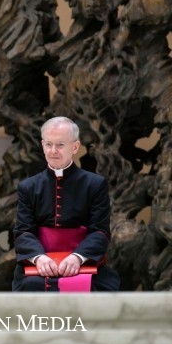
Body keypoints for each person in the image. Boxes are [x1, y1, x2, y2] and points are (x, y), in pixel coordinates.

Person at [12, 116, 120, 291]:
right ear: (42, 145)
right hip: (41, 263)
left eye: (60, 145)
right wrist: (39, 258)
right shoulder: (28, 187)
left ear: (75, 147)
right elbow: (23, 231)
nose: (53, 151)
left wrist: (78, 257)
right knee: (31, 285)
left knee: (97, 287)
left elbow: (100, 231)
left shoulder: (95, 184)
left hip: (83, 260)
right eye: (48, 144)